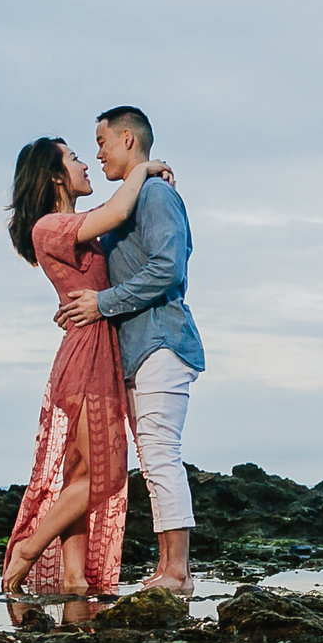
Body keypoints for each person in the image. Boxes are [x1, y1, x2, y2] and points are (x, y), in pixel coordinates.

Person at [0, 137, 171, 597]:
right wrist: (145, 168)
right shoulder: (49, 225)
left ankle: (75, 578)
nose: (86, 164)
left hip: (95, 351)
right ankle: (28, 549)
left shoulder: (74, 226)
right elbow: (116, 212)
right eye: (75, 159)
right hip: (87, 358)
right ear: (55, 176)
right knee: (105, 476)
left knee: (80, 474)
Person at [55, 105, 204, 595]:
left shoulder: (156, 195)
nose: (96, 153)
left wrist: (103, 304)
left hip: (162, 341)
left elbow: (168, 270)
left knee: (161, 452)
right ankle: (168, 568)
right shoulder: (131, 200)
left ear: (127, 139)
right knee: (151, 455)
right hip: (135, 351)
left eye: (100, 142)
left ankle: (177, 572)